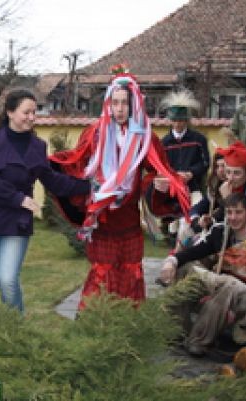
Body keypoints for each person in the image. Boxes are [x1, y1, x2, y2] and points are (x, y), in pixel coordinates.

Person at [49, 66, 190, 309]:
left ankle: (128, 325)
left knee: (131, 272)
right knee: (102, 274)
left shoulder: (145, 137)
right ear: (108, 104)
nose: (120, 108)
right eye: (115, 102)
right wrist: (52, 169)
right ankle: (95, 324)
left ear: (134, 105)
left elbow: (158, 171)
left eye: (125, 103)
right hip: (102, 220)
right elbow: (79, 164)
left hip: (129, 221)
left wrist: (157, 185)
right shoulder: (94, 134)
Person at [0, 88, 91, 316]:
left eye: (34, 112)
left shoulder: (38, 146)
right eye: (26, 112)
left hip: (17, 223)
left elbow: (53, 181)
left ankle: (17, 331)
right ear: (10, 112)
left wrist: (90, 186)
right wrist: (18, 198)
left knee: (8, 281)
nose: (32, 117)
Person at [159, 193, 246, 356]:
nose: (233, 217)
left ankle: (198, 341)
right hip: (220, 285)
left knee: (231, 285)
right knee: (185, 268)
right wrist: (172, 261)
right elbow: (195, 251)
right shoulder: (220, 232)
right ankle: (179, 330)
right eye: (229, 212)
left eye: (238, 212)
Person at [158, 90, 210, 246]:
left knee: (191, 220)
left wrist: (191, 173)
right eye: (175, 120)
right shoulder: (164, 143)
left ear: (186, 120)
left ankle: (189, 247)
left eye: (181, 120)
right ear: (170, 120)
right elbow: (161, 167)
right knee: (174, 225)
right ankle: (175, 247)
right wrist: (174, 176)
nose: (178, 124)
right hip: (172, 191)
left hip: (194, 188)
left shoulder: (198, 139)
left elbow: (205, 162)